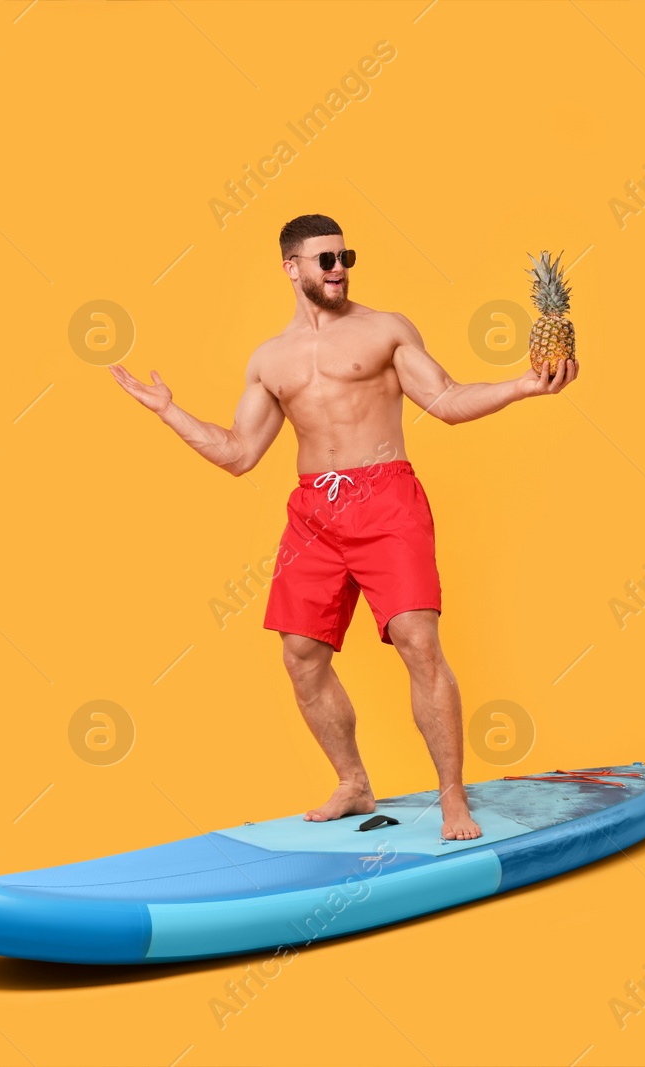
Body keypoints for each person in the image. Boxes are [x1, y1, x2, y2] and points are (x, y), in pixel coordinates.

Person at [111, 213, 576, 840]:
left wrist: (521, 385)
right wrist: (170, 413)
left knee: (418, 641)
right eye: (325, 260)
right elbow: (237, 454)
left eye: (345, 257)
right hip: (313, 513)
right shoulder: (269, 359)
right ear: (292, 268)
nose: (339, 270)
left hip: (386, 499)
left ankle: (452, 799)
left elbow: (446, 402)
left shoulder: (384, 330)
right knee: (301, 656)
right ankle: (353, 783)